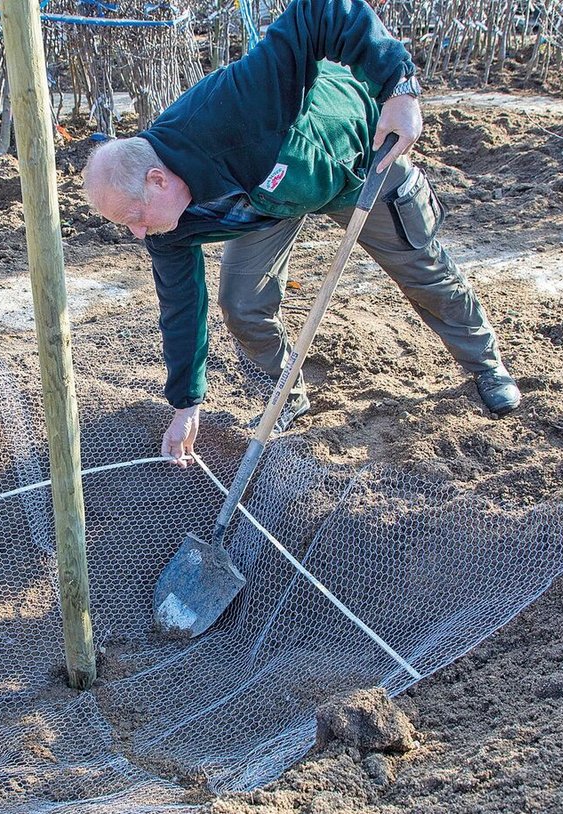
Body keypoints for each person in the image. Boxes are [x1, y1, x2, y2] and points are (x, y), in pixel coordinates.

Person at [82, 0, 521, 468]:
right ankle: (287, 391)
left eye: (133, 216)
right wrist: (186, 404)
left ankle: (485, 365)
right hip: (266, 202)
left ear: (157, 180)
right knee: (243, 304)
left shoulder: (234, 105)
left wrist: (399, 88)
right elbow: (181, 307)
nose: (134, 233)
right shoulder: (165, 226)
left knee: (421, 270)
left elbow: (321, 11)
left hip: (355, 158)